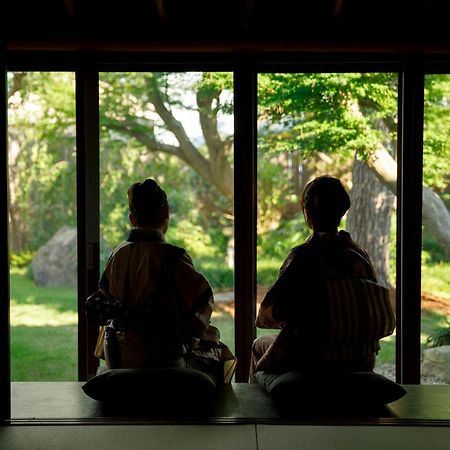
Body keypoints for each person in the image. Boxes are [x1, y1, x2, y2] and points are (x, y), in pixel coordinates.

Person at [87, 178, 232, 383]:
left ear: (132, 219)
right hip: (164, 358)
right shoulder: (174, 257)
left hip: (118, 357)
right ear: (165, 213)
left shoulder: (117, 255)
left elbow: (105, 298)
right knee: (217, 346)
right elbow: (202, 306)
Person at [250, 175, 385, 381]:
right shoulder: (358, 255)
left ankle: (259, 409)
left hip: (314, 358)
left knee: (259, 345)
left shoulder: (304, 256)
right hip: (361, 359)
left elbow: (272, 312)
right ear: (342, 211)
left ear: (308, 212)